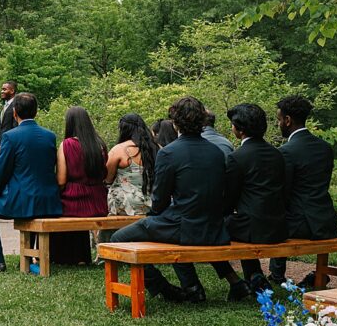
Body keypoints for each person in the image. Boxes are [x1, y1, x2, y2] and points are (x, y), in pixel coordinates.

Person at [110, 97, 230, 303]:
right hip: (214, 227)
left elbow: (160, 198)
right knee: (169, 236)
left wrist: (154, 216)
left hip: (184, 225)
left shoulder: (169, 153)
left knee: (117, 239)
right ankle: (192, 287)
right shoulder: (216, 152)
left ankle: (165, 289)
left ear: (175, 122)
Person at [0, 93, 63, 272]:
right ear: (36, 112)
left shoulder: (10, 137)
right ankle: (28, 257)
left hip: (22, 201)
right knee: (32, 212)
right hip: (48, 200)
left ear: (15, 112)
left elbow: (1, 172)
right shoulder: (50, 136)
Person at [268, 95, 337, 289]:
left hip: (299, 225)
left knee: (275, 217)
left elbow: (282, 192)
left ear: (288, 120)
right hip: (326, 220)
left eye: (279, 119)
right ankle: (319, 274)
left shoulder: (286, 151)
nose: (278, 123)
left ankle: (276, 274)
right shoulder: (325, 148)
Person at [221, 103, 287, 294]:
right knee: (240, 222)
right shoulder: (277, 154)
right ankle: (254, 274)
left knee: (212, 227)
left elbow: (229, 199)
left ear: (239, 130)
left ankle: (244, 278)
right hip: (278, 226)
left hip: (252, 227)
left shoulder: (237, 157)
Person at [52, 107, 110, 265]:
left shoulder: (67, 145)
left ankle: (67, 257)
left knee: (55, 211)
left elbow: (61, 180)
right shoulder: (100, 144)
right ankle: (83, 257)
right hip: (99, 200)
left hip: (74, 200)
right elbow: (105, 173)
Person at [106, 113, 158, 217]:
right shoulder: (156, 148)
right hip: (153, 202)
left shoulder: (118, 150)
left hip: (126, 205)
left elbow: (107, 178)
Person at [0, 81, 18, 156]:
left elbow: (15, 129)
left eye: (4, 89)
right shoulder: (5, 105)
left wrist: (3, 147)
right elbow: (2, 128)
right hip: (0, 147)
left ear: (12, 91)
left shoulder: (16, 105)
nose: (2, 91)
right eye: (2, 89)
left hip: (9, 148)